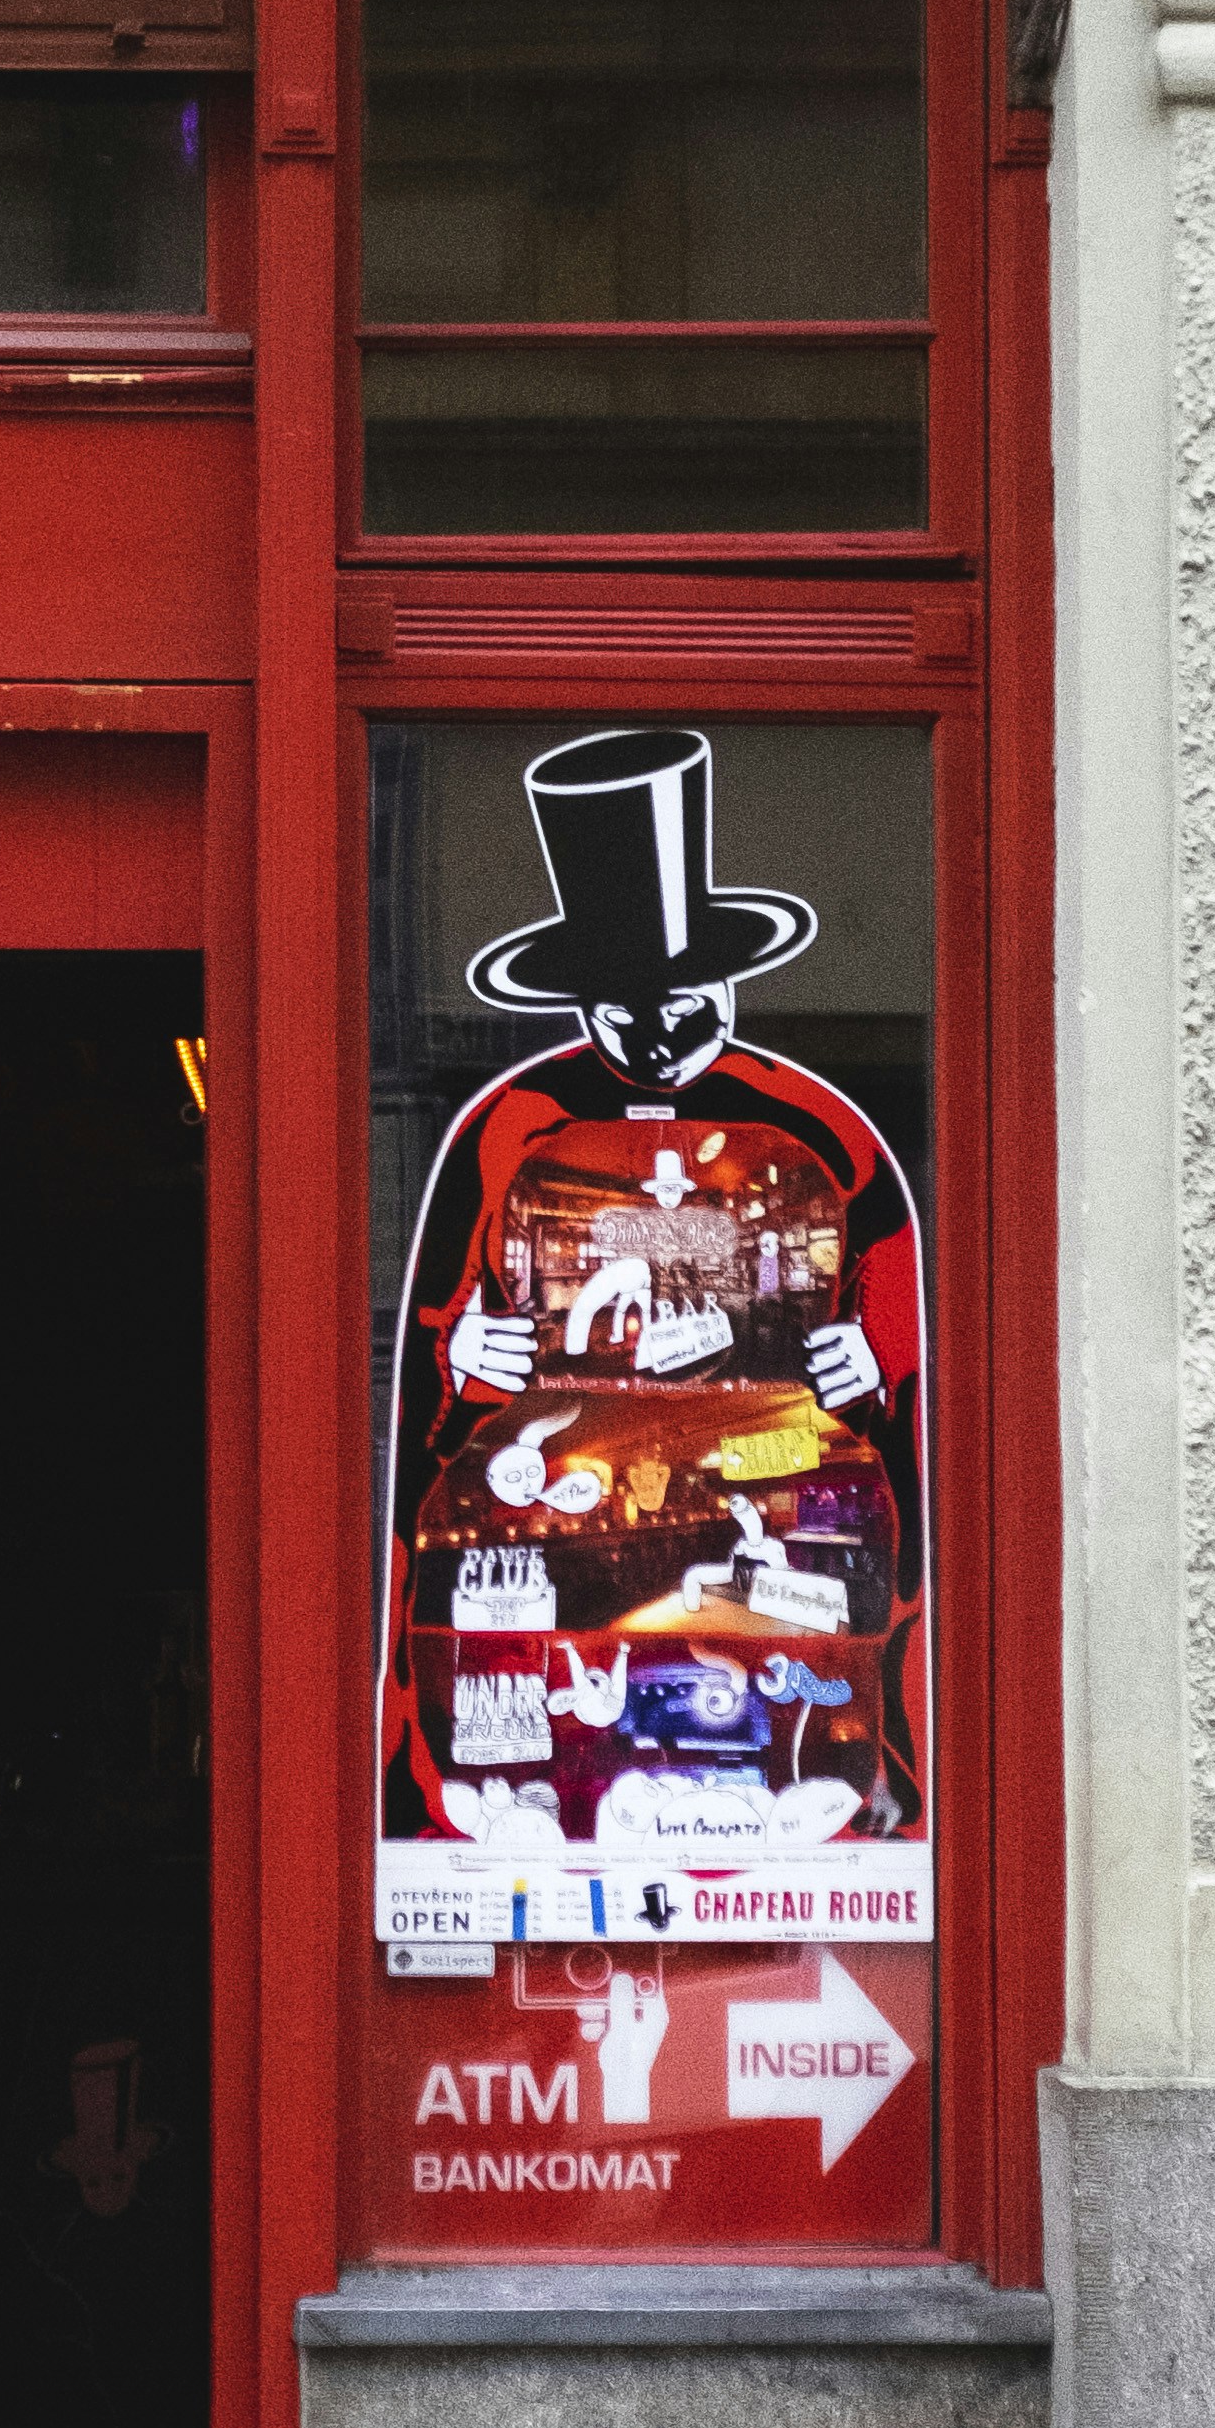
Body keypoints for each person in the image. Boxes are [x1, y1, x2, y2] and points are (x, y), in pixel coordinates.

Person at [379, 724, 925, 1911]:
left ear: (725, 982)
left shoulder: (821, 1126)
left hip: (783, 1547)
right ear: (581, 1003)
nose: (650, 1034)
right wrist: (459, 1350)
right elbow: (428, 1348)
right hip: (554, 1545)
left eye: (674, 1000)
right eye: (618, 1008)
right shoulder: (507, 1124)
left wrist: (867, 1362)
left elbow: (901, 1344)